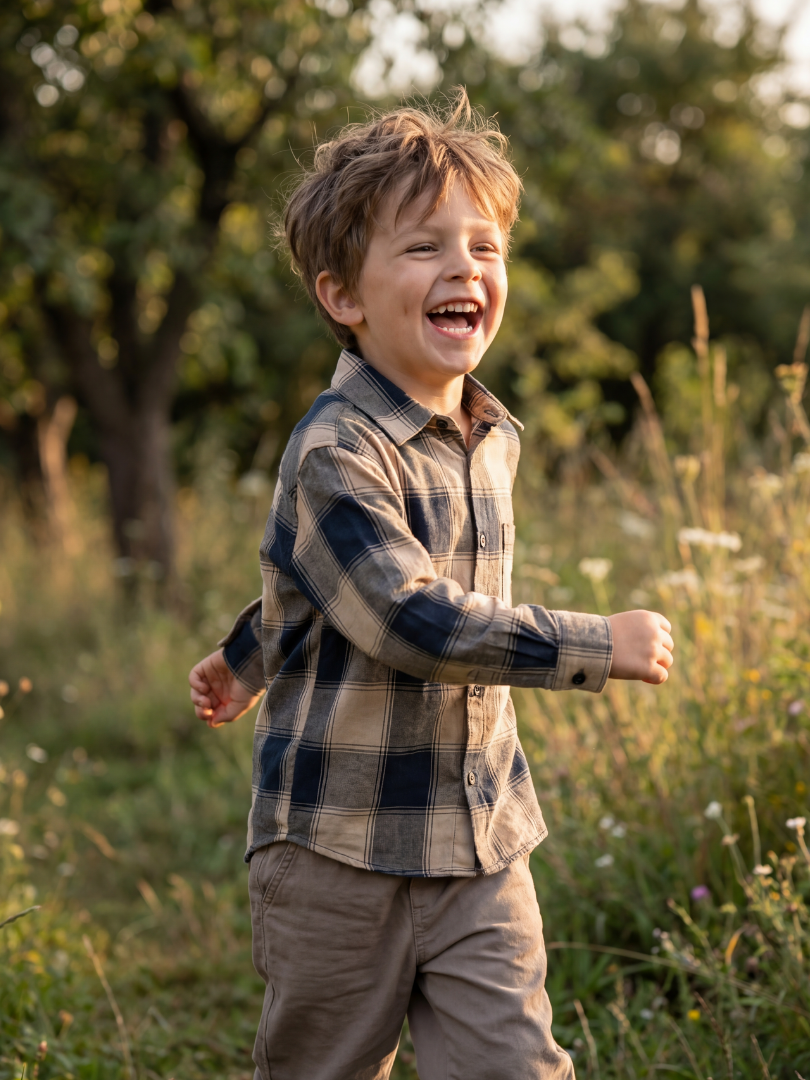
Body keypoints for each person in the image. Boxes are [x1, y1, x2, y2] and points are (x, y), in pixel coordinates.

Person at [188, 90, 674, 1080]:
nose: (464, 267)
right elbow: (404, 614)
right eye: (423, 247)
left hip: (479, 840)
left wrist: (245, 656)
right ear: (344, 297)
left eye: (485, 246)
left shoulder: (491, 436)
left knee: (514, 1066)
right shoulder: (334, 449)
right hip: (337, 855)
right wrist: (595, 643)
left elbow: (317, 586)